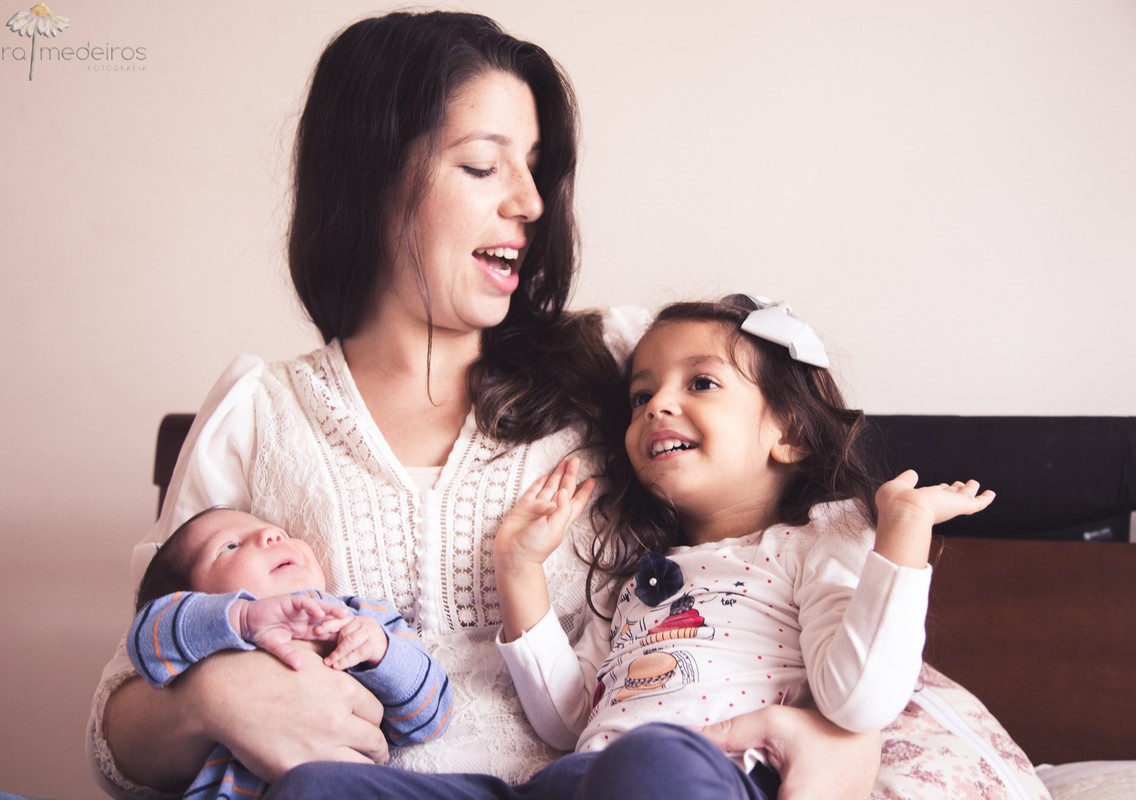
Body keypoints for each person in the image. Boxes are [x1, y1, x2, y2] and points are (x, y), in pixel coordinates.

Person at [87, 10, 888, 800]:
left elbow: (803, 536)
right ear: (370, 178)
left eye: (534, 166)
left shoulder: (623, 366)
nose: (530, 203)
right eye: (482, 167)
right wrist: (215, 700)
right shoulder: (257, 416)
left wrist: (847, 733)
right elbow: (118, 726)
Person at [489, 294, 998, 798]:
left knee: (648, 762)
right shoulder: (633, 571)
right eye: (641, 396)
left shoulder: (819, 539)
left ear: (791, 433)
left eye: (702, 383)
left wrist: (904, 530)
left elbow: (860, 702)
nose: (657, 406)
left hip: (716, 775)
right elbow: (567, 719)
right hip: (585, 781)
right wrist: (519, 567)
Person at [126, 506, 452, 800]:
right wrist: (241, 618)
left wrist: (381, 651)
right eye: (230, 546)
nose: (271, 534)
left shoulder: (362, 617)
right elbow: (145, 637)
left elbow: (431, 715)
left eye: (276, 530)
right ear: (195, 600)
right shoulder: (214, 635)